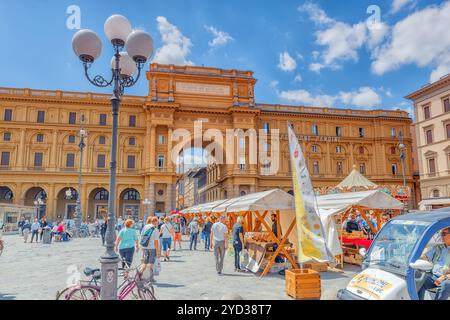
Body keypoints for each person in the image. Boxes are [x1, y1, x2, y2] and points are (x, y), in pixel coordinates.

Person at [418, 227, 450, 300]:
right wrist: (418, 256)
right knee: (419, 280)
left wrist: (444, 277)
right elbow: (425, 257)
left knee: (446, 284)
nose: (441, 236)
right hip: (434, 276)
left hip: (447, 278)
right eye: (441, 234)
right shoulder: (438, 247)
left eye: (444, 234)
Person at [140, 217, 160, 283]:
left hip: (145, 247)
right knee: (151, 263)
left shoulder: (145, 227)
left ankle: (140, 273)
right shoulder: (155, 229)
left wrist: (142, 246)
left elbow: (142, 236)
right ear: (156, 222)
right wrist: (158, 252)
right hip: (152, 248)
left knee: (145, 263)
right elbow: (156, 242)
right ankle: (150, 278)